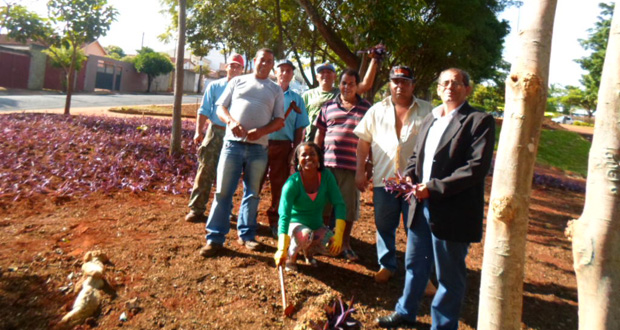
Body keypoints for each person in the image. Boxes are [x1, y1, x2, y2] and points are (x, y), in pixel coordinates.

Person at [376, 68, 495, 329]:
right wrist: (408, 177)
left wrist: (432, 187)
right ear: (438, 89)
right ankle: (405, 312)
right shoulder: (431, 118)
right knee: (415, 264)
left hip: (453, 210)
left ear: (467, 89)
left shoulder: (479, 120)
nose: (450, 87)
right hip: (420, 206)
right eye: (445, 83)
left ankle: (442, 325)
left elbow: (475, 168)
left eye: (456, 83)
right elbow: (417, 157)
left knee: (448, 275)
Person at [199, 48, 285, 257]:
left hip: (258, 149)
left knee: (252, 194)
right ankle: (215, 238)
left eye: (269, 61)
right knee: (223, 193)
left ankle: (247, 235)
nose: (265, 64)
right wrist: (231, 122)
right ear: (254, 61)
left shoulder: (275, 89)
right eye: (262, 60)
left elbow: (279, 120)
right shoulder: (237, 81)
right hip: (232, 145)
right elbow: (220, 108)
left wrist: (262, 131)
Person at [353, 66, 432, 283]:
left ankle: (421, 276)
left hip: (416, 184)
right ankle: (386, 265)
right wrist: (360, 171)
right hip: (384, 180)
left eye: (405, 82)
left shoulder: (428, 111)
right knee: (384, 225)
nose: (400, 86)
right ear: (390, 83)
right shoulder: (376, 110)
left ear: (412, 85)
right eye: (396, 81)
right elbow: (363, 143)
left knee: (416, 228)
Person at [314, 69, 372, 261]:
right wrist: (315, 159)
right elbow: (319, 134)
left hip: (352, 168)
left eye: (351, 84)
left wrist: (367, 168)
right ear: (339, 84)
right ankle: (322, 243)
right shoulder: (328, 106)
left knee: (347, 209)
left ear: (358, 86)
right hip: (328, 166)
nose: (347, 87)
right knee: (324, 206)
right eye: (344, 83)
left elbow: (371, 139)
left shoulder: (367, 108)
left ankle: (345, 244)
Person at [185, 54, 244, 223]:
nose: (234, 69)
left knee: (229, 175)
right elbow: (203, 110)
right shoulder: (214, 86)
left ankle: (226, 210)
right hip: (215, 132)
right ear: (226, 67)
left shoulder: (243, 89)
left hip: (234, 135)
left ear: (242, 70)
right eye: (232, 66)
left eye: (238, 67)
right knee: (205, 170)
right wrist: (199, 131)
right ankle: (196, 209)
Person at [273, 142, 346, 271]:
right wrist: (281, 249)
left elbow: (339, 204)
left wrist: (339, 234)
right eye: (303, 155)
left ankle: (309, 253)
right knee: (305, 235)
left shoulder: (327, 177)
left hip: (316, 225)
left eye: (312, 154)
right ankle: (291, 256)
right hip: (295, 226)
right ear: (297, 160)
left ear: (319, 157)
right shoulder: (292, 183)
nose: (308, 158)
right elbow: (284, 216)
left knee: (334, 248)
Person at [261, 59, 310, 237]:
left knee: (279, 186)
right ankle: (248, 220)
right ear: (276, 71)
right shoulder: (265, 92)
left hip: (282, 146)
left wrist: (294, 150)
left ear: (292, 74)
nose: (285, 73)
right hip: (261, 143)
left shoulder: (296, 99)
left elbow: (300, 127)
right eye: (282, 70)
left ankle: (275, 222)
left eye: (289, 70)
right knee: (254, 182)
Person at [303, 56, 379, 142]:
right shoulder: (306, 95)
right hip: (309, 140)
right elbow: (299, 121)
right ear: (317, 77)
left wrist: (374, 60)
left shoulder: (342, 92)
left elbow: (365, 85)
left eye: (328, 72)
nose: (325, 75)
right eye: (322, 72)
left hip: (327, 144)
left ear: (335, 76)